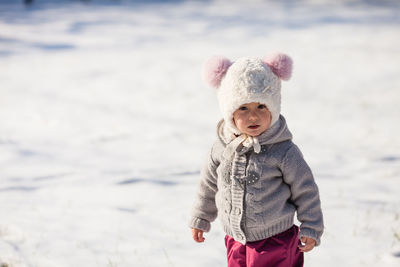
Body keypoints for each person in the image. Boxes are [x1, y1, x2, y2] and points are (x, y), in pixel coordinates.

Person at [189, 52, 324, 267]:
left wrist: (312, 227)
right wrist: (201, 218)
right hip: (235, 239)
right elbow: (208, 185)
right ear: (229, 113)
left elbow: (305, 189)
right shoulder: (221, 148)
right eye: (243, 108)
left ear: (273, 108)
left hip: (276, 241)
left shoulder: (284, 151)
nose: (253, 116)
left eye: (261, 106)